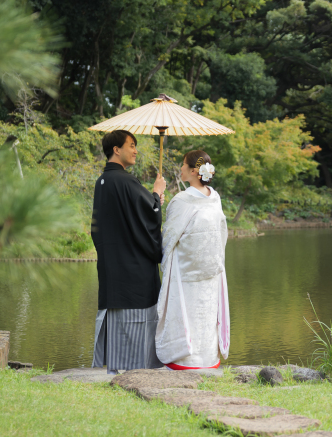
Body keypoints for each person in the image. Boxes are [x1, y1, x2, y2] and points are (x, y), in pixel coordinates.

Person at [91, 130, 166, 374]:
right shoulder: (125, 181)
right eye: (131, 145)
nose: (135, 150)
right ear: (116, 149)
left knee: (117, 328)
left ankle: (116, 369)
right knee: (137, 326)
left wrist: (154, 200)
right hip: (133, 271)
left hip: (112, 268)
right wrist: (157, 193)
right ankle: (136, 373)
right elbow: (149, 215)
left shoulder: (103, 181)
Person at [155, 150, 230, 370]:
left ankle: (185, 360)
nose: (180, 168)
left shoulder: (182, 200)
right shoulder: (214, 198)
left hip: (186, 271)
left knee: (189, 314)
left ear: (195, 171)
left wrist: (165, 261)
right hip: (209, 268)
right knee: (204, 314)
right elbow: (222, 234)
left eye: (183, 164)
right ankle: (204, 360)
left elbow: (169, 237)